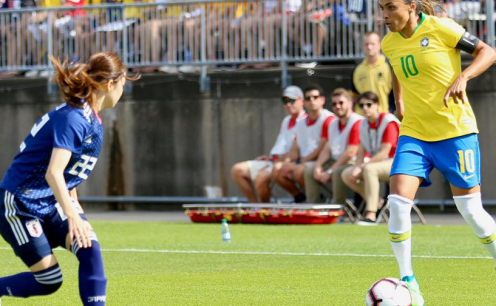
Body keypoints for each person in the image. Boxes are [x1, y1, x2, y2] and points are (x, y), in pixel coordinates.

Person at [380, 0, 496, 304]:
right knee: (398, 202)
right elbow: (396, 67)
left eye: (390, 7)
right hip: (415, 133)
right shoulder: (388, 42)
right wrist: (399, 100)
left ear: (410, 6)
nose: (385, 15)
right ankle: (408, 282)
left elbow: (488, 51)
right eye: (381, 8)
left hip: (455, 132)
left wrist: (464, 76)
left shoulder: (441, 28)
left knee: (470, 210)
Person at [0, 52, 138, 305]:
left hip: (49, 201)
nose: (122, 90)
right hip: (20, 204)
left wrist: (75, 208)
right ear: (110, 84)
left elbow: (67, 174)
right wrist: (73, 216)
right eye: (123, 83)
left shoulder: (90, 116)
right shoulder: (75, 118)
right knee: (49, 281)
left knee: (90, 248)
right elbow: (54, 172)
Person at [230, 85, 307, 202]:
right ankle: (255, 206)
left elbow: (298, 152)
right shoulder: (286, 121)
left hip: (289, 164)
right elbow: (283, 145)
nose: (288, 104)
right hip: (274, 161)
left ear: (302, 101)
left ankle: (265, 209)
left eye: (292, 100)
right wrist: (270, 158)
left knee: (261, 178)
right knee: (237, 170)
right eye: (285, 101)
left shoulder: (305, 121)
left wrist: (279, 160)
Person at [341, 91, 400, 225]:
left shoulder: (388, 121)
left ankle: (371, 215)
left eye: (369, 104)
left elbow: (384, 153)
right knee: (346, 174)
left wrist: (361, 167)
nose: (365, 108)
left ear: (377, 104)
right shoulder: (363, 124)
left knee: (370, 169)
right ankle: (378, 201)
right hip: (376, 163)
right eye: (361, 105)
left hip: (396, 162)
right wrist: (356, 167)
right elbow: (361, 152)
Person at [274, 84, 335, 203]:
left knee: (298, 170)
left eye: (315, 97)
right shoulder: (300, 122)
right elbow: (294, 149)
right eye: (308, 98)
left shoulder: (328, 118)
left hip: (325, 161)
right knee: (278, 169)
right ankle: (302, 198)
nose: (311, 101)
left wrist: (298, 163)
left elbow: (322, 150)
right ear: (304, 101)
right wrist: (286, 164)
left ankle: (317, 200)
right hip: (306, 161)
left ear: (322, 100)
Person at [310, 88, 363, 204]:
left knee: (336, 172)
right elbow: (327, 149)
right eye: (334, 104)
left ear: (350, 103)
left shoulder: (357, 122)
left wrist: (329, 171)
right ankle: (313, 207)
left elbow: (350, 153)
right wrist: (318, 166)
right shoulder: (333, 123)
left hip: (355, 162)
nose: (337, 106)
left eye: (341, 103)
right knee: (309, 170)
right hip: (337, 160)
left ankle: (338, 209)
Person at [350, 31, 394, 114]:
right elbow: (354, 95)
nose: (369, 47)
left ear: (379, 45)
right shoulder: (357, 68)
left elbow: (397, 93)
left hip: (384, 116)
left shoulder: (389, 66)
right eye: (366, 44)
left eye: (372, 44)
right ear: (362, 46)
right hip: (362, 118)